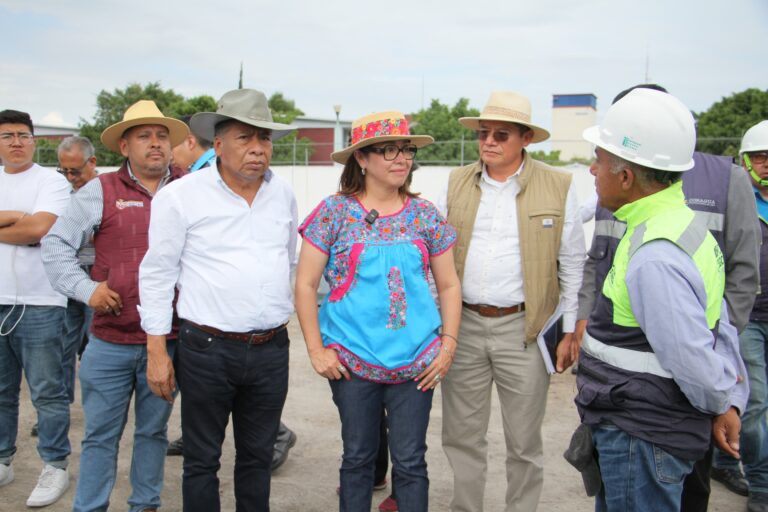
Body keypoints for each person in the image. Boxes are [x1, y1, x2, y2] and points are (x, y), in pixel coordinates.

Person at [574, 84, 761, 511]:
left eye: (598, 161)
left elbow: (691, 355)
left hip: (641, 433)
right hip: (647, 426)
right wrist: (730, 396)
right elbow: (720, 327)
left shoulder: (655, 255)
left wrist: (721, 404)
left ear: (625, 176)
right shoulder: (682, 224)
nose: (591, 170)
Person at [138, 88, 297, 512]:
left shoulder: (282, 194)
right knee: (202, 460)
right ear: (220, 144)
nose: (258, 150)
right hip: (206, 349)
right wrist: (156, 349)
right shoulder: (181, 197)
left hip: (270, 349)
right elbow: (156, 274)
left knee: (257, 458)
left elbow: (287, 258)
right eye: (245, 139)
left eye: (264, 139)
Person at [295, 110, 462, 511]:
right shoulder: (333, 213)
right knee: (357, 458)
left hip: (416, 363)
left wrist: (447, 346)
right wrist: (317, 350)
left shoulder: (425, 216)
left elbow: (450, 284)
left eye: (405, 150)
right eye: (388, 150)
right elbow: (304, 284)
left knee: (410, 462)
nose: (401, 159)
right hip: (351, 361)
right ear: (362, 159)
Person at [438, 91, 585, 512]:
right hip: (462, 327)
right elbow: (439, 254)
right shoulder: (457, 182)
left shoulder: (559, 185)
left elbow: (572, 261)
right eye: (484, 133)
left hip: (525, 329)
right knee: (462, 436)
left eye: (501, 134)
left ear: (526, 139)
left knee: (524, 441)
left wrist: (568, 329)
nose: (489, 142)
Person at [42, 99, 188, 512]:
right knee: (100, 435)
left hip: (169, 340)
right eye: (144, 136)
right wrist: (86, 290)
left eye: (162, 136)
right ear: (124, 147)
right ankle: (90, 507)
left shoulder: (189, 188)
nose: (155, 144)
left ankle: (145, 505)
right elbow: (55, 245)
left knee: (153, 433)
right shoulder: (99, 191)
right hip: (109, 341)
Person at [0, 109, 72, 507]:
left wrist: (22, 224)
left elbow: (40, 229)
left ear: (34, 140)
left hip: (41, 302)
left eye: (23, 135)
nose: (16, 142)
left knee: (48, 391)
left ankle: (55, 464)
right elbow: (24, 228)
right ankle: (3, 459)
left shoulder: (51, 181)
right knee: (1, 391)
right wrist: (13, 218)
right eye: (7, 135)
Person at [715, 120, 768, 512]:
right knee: (754, 403)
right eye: (760, 157)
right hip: (745, 316)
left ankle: (722, 458)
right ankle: (763, 486)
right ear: (745, 159)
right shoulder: (733, 194)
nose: (766, 164)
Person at [55, 136, 99, 404]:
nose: (71, 177)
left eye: (76, 170)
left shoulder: (107, 191)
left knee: (95, 347)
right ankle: (61, 400)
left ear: (92, 162)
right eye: (65, 171)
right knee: (62, 346)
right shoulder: (65, 195)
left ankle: (99, 404)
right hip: (71, 274)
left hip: (98, 276)